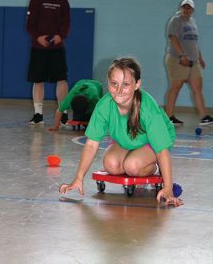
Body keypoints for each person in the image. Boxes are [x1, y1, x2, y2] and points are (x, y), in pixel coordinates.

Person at [59, 57, 183, 207]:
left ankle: (153, 166)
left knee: (132, 166)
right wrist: (78, 178)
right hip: (127, 139)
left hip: (151, 142)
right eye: (114, 84)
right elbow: (91, 144)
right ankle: (136, 156)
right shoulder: (104, 106)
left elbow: (162, 150)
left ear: (137, 84)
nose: (118, 90)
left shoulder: (148, 108)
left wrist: (168, 187)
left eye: (125, 84)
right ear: (108, 82)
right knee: (110, 164)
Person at [26, 0, 71, 125]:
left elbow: (66, 24)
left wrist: (60, 36)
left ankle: (63, 113)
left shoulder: (63, 1)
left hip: (57, 49)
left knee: (62, 80)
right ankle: (38, 115)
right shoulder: (36, 1)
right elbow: (29, 25)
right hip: (38, 49)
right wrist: (38, 38)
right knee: (38, 81)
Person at [165, 0, 213, 127]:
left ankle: (204, 117)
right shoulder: (176, 20)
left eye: (189, 8)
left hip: (193, 61)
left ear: (192, 10)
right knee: (176, 86)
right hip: (177, 60)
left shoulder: (192, 22)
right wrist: (182, 55)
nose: (186, 10)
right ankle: (169, 117)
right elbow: (173, 38)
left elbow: (194, 43)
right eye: (184, 7)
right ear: (181, 8)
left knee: (197, 87)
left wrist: (200, 57)